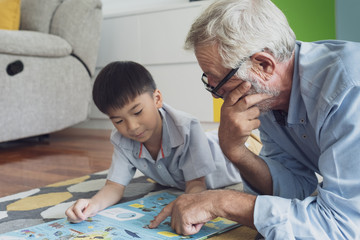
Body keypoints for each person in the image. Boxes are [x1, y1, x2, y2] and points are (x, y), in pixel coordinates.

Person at [148, 0, 360, 239]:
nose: (217, 93)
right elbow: (297, 188)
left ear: (263, 64)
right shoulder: (268, 96)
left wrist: (221, 202)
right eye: (208, 80)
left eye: (220, 80)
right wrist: (235, 150)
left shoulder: (349, 92)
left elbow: (343, 226)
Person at [65, 61, 242, 223]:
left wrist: (187, 209)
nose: (132, 127)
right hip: (200, 153)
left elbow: (196, 185)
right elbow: (114, 186)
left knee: (252, 146)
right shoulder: (121, 140)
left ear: (157, 99)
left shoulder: (187, 128)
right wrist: (91, 205)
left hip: (227, 155)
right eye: (118, 121)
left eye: (137, 112)